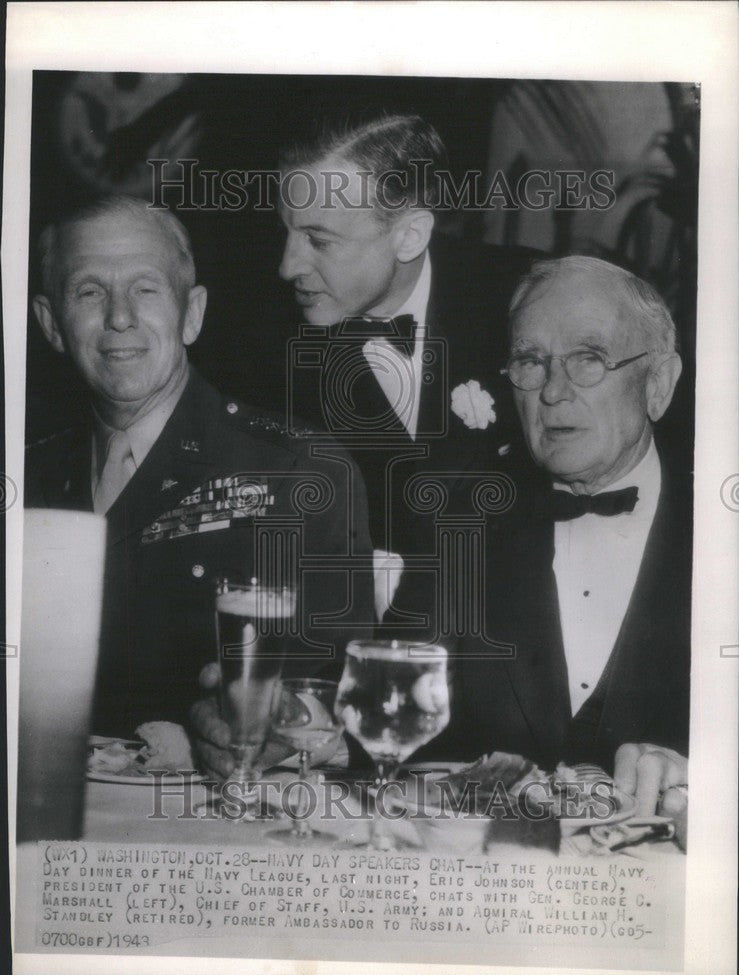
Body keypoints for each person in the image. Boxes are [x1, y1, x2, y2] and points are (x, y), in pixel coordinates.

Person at [25, 195, 374, 738]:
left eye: (146, 289)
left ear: (192, 314)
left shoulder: (297, 472)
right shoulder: (27, 475)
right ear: (50, 324)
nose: (120, 317)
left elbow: (338, 697)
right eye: (90, 291)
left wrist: (274, 724)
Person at [393, 256, 691, 821]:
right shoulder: (461, 519)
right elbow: (394, 723)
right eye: (531, 361)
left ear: (659, 383)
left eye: (589, 359)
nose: (552, 392)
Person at [278, 112, 538, 614]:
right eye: (286, 232)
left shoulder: (524, 296)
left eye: (319, 240)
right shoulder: (257, 346)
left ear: (410, 235)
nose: (288, 265)